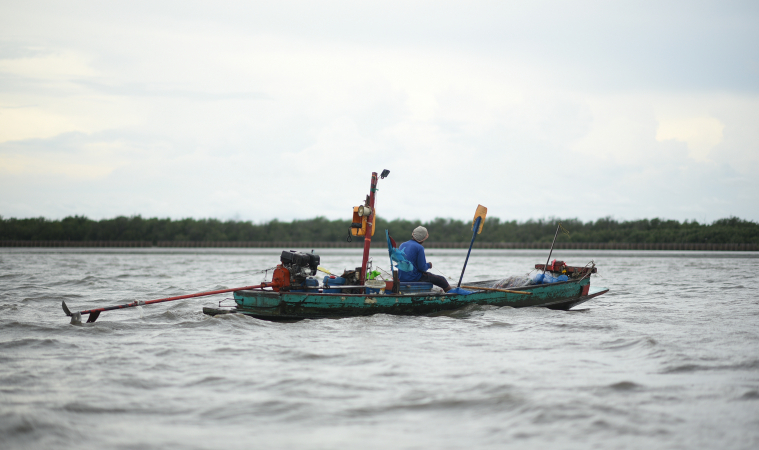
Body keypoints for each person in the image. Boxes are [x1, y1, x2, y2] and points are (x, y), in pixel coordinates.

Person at [398, 226, 451, 292]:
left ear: (413, 234)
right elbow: (422, 268)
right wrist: (429, 265)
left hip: (401, 277)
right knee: (442, 280)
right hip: (414, 278)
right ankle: (451, 294)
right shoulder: (419, 247)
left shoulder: (402, 245)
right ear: (423, 238)